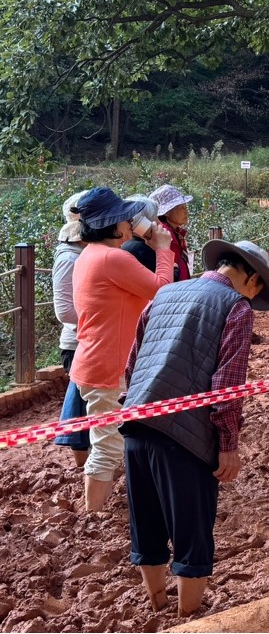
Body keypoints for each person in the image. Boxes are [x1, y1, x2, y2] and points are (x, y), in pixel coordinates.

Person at [120, 239, 269, 617]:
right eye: (257, 290)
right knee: (192, 532)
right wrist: (228, 443)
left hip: (135, 423)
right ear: (252, 279)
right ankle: (188, 617)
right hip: (185, 439)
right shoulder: (236, 308)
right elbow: (227, 384)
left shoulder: (165, 294)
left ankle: (158, 602)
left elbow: (133, 362)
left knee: (147, 522)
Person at [69, 187, 174, 511]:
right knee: (108, 444)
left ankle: (103, 506)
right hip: (109, 366)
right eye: (125, 219)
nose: (131, 224)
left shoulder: (90, 256)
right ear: (112, 225)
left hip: (96, 361)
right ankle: (92, 514)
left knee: (115, 438)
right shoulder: (113, 258)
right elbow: (162, 291)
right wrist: (163, 249)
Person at [52, 190, 91, 467]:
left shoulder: (82, 253)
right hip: (78, 342)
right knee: (80, 406)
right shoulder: (68, 257)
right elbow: (64, 310)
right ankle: (82, 464)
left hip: (89, 338)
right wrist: (102, 316)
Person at [122, 195, 175, 277]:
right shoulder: (139, 249)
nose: (159, 223)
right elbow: (168, 279)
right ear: (141, 223)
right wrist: (175, 269)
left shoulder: (132, 244)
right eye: (153, 218)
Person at [150, 184, 193, 280]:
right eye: (180, 206)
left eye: (185, 205)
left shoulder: (175, 231)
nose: (186, 210)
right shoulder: (164, 233)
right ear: (167, 211)